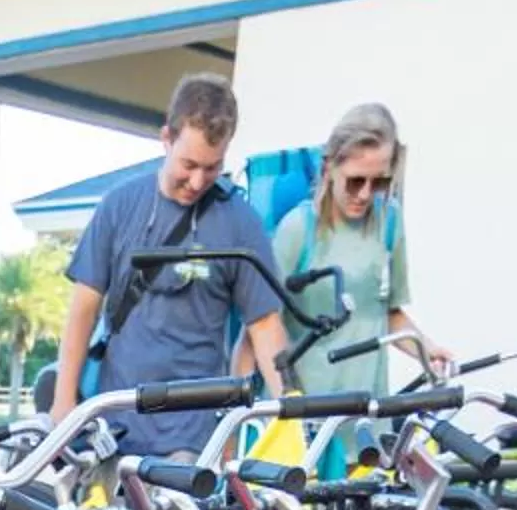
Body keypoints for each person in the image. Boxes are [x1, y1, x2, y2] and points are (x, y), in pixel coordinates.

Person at [51, 73, 290, 453]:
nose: (197, 181)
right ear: (166, 139)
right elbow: (84, 308)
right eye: (189, 164)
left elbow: (264, 326)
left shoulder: (241, 222)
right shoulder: (120, 205)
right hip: (114, 429)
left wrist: (289, 408)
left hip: (190, 436)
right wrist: (63, 404)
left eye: (211, 168)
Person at [273, 103, 451, 394]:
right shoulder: (298, 230)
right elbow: (263, 326)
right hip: (308, 411)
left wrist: (427, 351)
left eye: (379, 182)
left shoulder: (389, 221)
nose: (366, 194)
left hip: (366, 409)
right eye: (355, 182)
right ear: (330, 167)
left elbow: (387, 312)